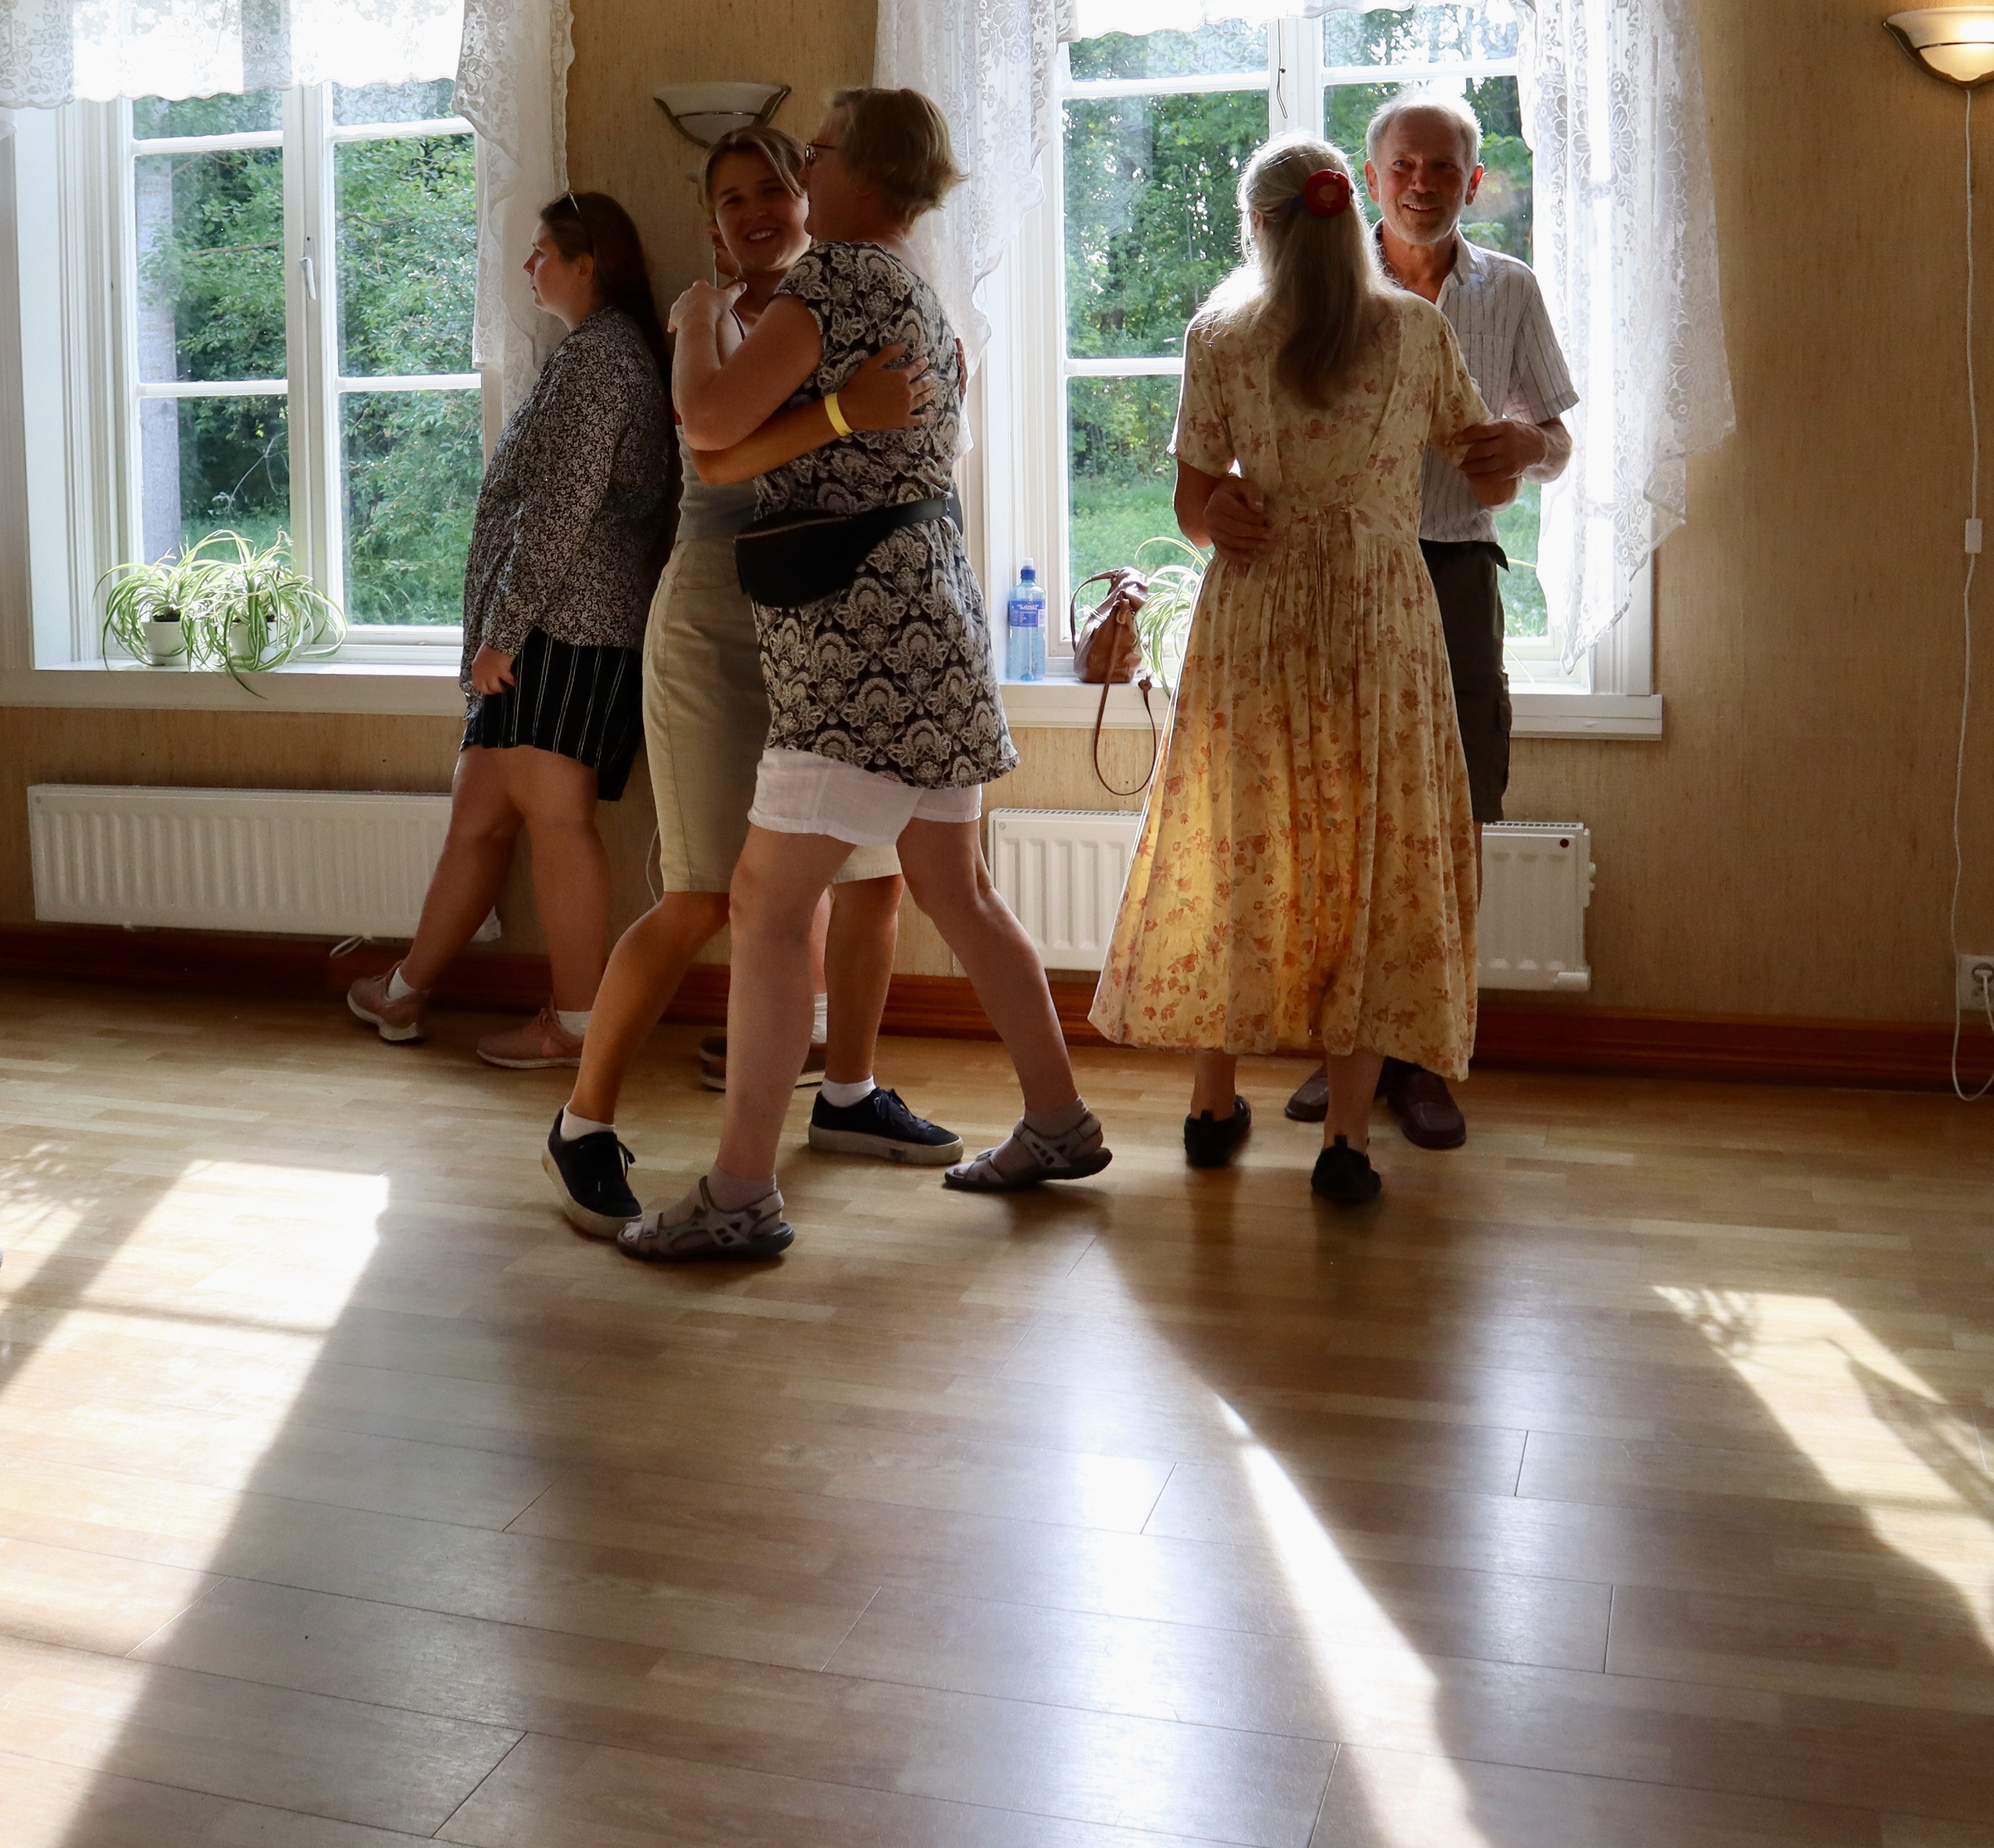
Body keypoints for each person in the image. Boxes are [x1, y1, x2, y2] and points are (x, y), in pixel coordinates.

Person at [613, 87, 1104, 1261]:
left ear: (865, 174)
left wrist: (694, 318)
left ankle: (740, 1192)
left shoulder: (836, 279)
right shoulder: (916, 288)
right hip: (933, 620)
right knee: (958, 890)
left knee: (770, 905)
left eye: (817, 154)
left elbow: (707, 421)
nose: (805, 172)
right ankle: (1059, 1120)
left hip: (858, 647)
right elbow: (746, 448)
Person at [538, 129, 955, 1235]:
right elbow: (713, 443)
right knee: (701, 896)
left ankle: (849, 1094)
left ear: (808, 193)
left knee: (873, 877)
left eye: (773, 186)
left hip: (823, 627)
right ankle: (582, 1123)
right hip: (717, 627)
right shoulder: (709, 316)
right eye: (732, 200)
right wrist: (843, 407)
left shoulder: (846, 300)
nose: (757, 210)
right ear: (714, 224)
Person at [1090, 137, 1501, 1208]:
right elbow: (1486, 464)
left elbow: (1195, 507)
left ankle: (1210, 1106)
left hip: (1258, 618)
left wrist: (1219, 512)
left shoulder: (1219, 336)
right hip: (1377, 620)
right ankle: (1348, 1144)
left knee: (1243, 843)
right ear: (1350, 217)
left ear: (1257, 229)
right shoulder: (1415, 331)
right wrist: (1532, 447)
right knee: (1372, 858)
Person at [1276, 92, 1577, 1152]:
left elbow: (1557, 439)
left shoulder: (1512, 289)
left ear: (1473, 182)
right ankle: (1342, 1049)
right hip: (1339, 574)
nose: (1421, 184)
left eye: (1443, 167)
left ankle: (1426, 1059)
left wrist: (1528, 446)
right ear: (1371, 178)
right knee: (1338, 812)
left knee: (1455, 815)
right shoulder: (1316, 283)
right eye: (1403, 165)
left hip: (1453, 571)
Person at [349, 193, 680, 1063]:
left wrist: (502, 633)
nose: (529, 267)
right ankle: (406, 991)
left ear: (587, 263)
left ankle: (576, 1023)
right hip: (552, 625)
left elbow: (559, 512)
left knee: (556, 819)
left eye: (542, 252)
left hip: (566, 628)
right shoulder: (594, 353)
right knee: (480, 813)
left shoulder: (601, 359)